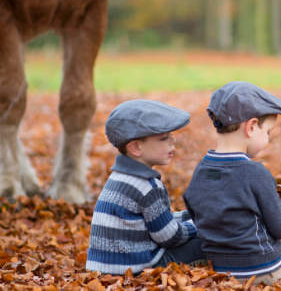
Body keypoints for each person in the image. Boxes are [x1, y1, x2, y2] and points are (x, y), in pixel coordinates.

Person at [184, 81, 281, 285]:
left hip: (220, 270)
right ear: (251, 127)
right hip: (261, 267)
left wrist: (280, 186)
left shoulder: (203, 169)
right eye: (268, 132)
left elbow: (201, 202)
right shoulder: (255, 172)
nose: (268, 138)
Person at [85, 99, 203, 275]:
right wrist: (200, 225)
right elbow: (170, 237)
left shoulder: (119, 178)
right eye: (164, 138)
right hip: (137, 268)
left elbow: (155, 221)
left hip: (104, 268)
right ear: (136, 147)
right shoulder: (147, 186)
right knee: (204, 243)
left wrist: (189, 216)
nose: (173, 141)